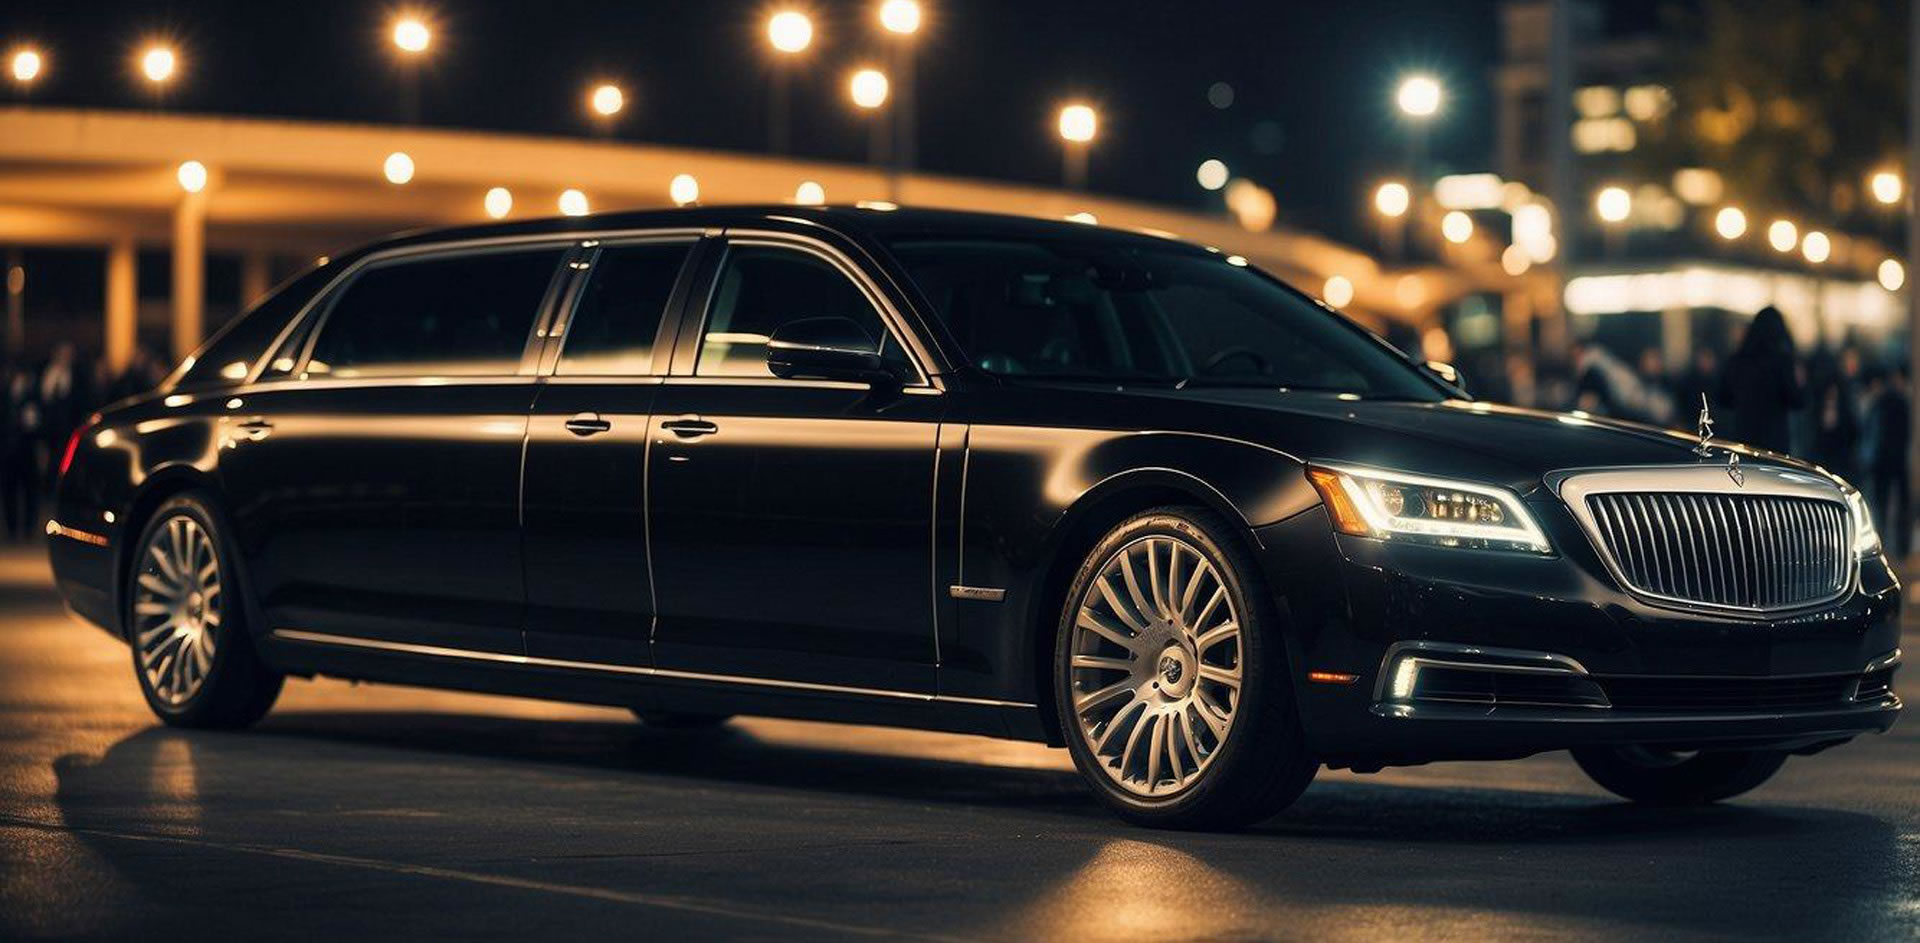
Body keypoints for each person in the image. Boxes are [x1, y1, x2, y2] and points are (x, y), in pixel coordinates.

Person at [1716, 306, 1804, 454]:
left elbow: (1723, 398)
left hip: (1743, 439)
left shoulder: (1738, 360)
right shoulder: (1782, 361)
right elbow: (1797, 400)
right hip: (1775, 444)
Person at [1868, 366, 1911, 560]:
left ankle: (1882, 545)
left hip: (1882, 461)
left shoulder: (1880, 402)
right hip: (1897, 460)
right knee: (1901, 504)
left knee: (1881, 505)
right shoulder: (1902, 402)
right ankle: (1902, 548)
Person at [1, 363, 41, 541]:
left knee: (29, 489)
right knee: (10, 490)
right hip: (9, 451)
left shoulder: (32, 397)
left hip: (27, 450)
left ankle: (27, 527)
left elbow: (37, 424)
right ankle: (12, 526)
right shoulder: (5, 397)